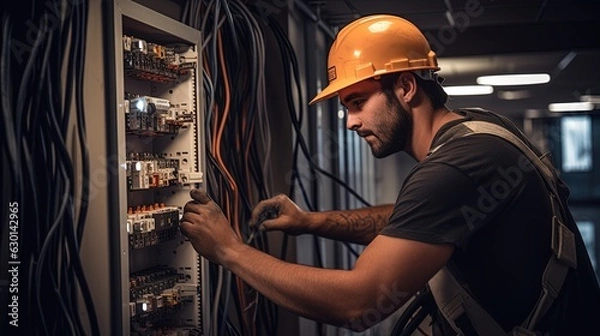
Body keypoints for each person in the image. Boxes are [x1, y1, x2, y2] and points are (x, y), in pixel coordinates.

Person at [180, 14, 600, 335]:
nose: (350, 121)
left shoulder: (455, 165)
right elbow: (416, 224)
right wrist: (311, 223)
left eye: (358, 101)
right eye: (346, 106)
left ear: (405, 86)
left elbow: (360, 304)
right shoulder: (478, 129)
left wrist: (229, 251)